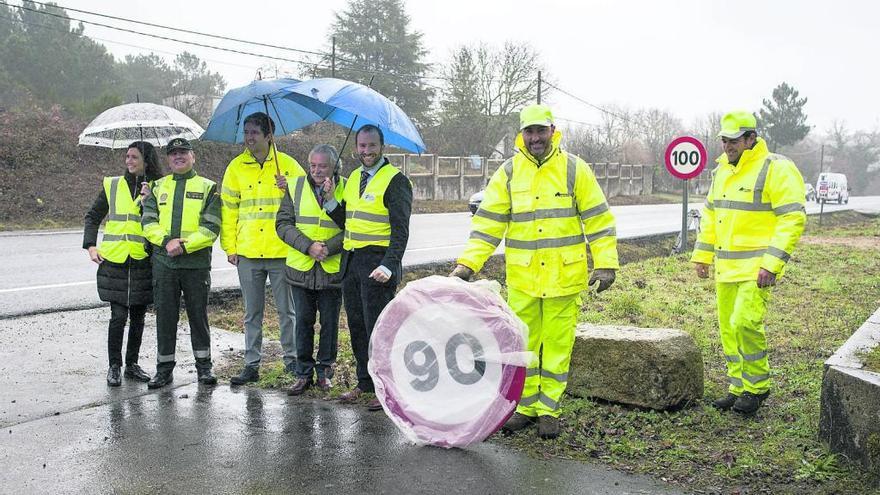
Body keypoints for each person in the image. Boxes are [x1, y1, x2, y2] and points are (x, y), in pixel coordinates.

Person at [450, 104, 619, 439]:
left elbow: (598, 220)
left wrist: (606, 262)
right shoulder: (509, 173)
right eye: (530, 131)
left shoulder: (574, 169)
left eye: (541, 130)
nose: (536, 137)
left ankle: (549, 410)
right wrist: (467, 264)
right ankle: (525, 407)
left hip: (564, 277)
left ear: (552, 130)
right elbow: (487, 226)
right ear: (522, 134)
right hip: (525, 278)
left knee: (557, 345)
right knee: (523, 343)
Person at [691, 110, 806, 414]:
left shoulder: (776, 168)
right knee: (729, 327)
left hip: (757, 268)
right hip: (727, 267)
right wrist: (702, 255)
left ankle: (756, 388)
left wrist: (772, 263)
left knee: (745, 322)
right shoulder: (722, 172)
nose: (727, 145)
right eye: (724, 140)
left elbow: (791, 218)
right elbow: (711, 216)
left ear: (751, 138)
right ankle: (737, 386)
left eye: (734, 140)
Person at [322, 124, 413, 411]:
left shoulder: (395, 181)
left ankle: (386, 388)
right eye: (362, 146)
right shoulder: (353, 179)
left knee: (380, 330)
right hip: (351, 263)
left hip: (377, 265)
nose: (367, 151)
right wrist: (330, 200)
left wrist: (389, 264)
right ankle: (364, 382)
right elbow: (348, 221)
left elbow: (401, 231)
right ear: (356, 148)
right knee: (358, 326)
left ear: (381, 146)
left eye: (372, 145)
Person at [220, 112, 305, 385]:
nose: (249, 137)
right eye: (246, 132)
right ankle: (251, 364)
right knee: (251, 312)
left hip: (281, 251)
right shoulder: (235, 168)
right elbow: (228, 210)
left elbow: (308, 203)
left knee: (287, 311)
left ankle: (291, 360)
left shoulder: (288, 166)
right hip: (248, 252)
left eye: (254, 132)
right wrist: (230, 247)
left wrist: (288, 188)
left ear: (269, 136)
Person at [141, 137, 221, 389]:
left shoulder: (209, 187)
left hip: (195, 264)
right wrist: (166, 242)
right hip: (164, 264)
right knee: (165, 317)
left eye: (183, 152)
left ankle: (204, 368)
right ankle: (164, 370)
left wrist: (184, 245)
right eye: (173, 153)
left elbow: (211, 228)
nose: (179, 157)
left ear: (193, 156)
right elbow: (148, 223)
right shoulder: (156, 187)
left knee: (198, 316)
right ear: (168, 159)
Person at [83, 141, 163, 386]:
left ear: (146, 161)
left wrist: (151, 200)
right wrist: (90, 245)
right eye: (127, 156)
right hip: (115, 259)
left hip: (141, 259)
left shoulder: (157, 187)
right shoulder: (113, 184)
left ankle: (132, 365)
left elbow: (163, 220)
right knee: (118, 317)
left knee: (139, 317)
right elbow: (93, 216)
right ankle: (114, 366)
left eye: (134, 157)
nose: (129, 161)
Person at [276, 144, 346, 395]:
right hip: (301, 268)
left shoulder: (346, 187)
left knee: (329, 323)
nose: (316, 170)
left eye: (323, 166)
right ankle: (303, 373)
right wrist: (308, 247)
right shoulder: (294, 187)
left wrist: (330, 247)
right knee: (303, 322)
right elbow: (283, 224)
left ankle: (325, 371)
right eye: (313, 165)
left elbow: (351, 226)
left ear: (334, 166)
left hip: (332, 268)